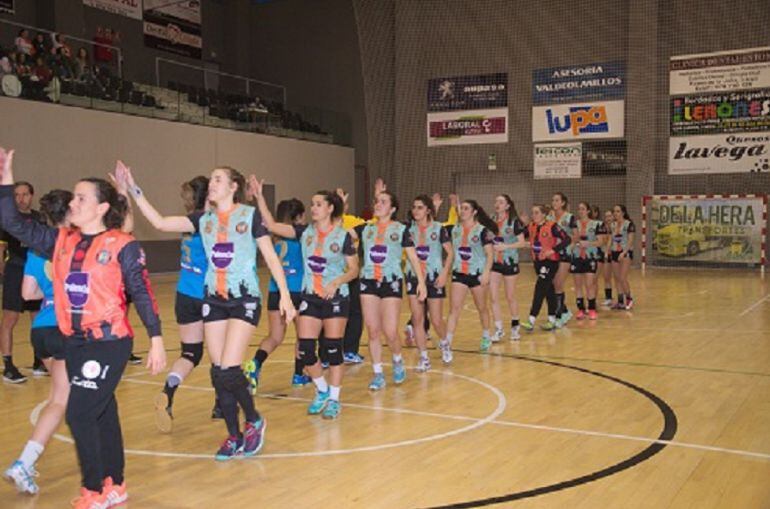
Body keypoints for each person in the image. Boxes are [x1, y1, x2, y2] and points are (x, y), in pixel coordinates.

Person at [0, 147, 166, 508]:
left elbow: (142, 291)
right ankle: (115, 484)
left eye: (80, 197)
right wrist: (6, 181)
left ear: (101, 207)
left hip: (108, 342)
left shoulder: (122, 245)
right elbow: (12, 223)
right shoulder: (60, 241)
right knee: (103, 411)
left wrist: (156, 338)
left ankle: (93, 490)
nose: (72, 203)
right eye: (73, 197)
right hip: (73, 342)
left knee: (79, 412)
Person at [121, 165, 294, 459]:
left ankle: (254, 420)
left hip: (244, 298)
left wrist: (286, 297)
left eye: (218, 179)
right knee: (218, 372)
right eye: (211, 179)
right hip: (214, 299)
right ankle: (234, 435)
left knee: (229, 369)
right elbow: (160, 222)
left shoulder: (249, 216)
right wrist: (133, 189)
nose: (212, 183)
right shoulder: (204, 220)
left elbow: (270, 257)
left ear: (233, 187)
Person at [254, 181, 358, 419]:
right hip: (310, 297)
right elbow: (272, 225)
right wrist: (260, 197)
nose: (313, 208)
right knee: (306, 350)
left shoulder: (342, 236)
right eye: (312, 204)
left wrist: (336, 282)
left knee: (333, 350)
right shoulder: (304, 233)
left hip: (336, 298)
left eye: (319, 204)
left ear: (330, 208)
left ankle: (334, 399)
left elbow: (354, 269)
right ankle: (321, 389)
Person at [121, 171, 211, 433]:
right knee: (221, 356)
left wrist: (130, 189)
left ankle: (168, 391)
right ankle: (222, 403)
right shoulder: (208, 222)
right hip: (208, 295)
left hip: (184, 294)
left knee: (190, 353)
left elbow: (157, 222)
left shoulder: (188, 222)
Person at [3, 189, 72, 495]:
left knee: (60, 397)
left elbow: (28, 293)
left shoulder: (36, 250)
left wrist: (52, 294)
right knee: (64, 400)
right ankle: (24, 462)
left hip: (41, 330)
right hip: (65, 328)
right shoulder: (74, 246)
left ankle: (28, 461)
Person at [360, 191, 425, 390]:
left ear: (393, 208)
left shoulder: (401, 229)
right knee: (372, 330)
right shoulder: (365, 229)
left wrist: (421, 282)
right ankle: (378, 373)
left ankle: (397, 359)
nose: (378, 204)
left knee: (390, 331)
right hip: (368, 281)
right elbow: (336, 229)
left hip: (391, 282)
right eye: (376, 201)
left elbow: (413, 257)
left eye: (383, 202)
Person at [244, 198, 310, 393]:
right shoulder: (301, 235)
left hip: (275, 290)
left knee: (274, 336)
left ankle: (256, 363)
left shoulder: (273, 237)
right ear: (299, 216)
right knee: (303, 336)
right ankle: (298, 374)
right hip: (297, 290)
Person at [0, 181, 44, 383]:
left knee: (38, 318)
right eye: (17, 195)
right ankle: (8, 366)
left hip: (34, 272)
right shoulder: (8, 218)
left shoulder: (38, 218)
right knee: (10, 318)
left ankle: (39, 360)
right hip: (15, 271)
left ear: (31, 196)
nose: (21, 198)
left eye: (25, 194)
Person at [443, 199, 496, 361]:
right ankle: (447, 342)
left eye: (466, 208)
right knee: (454, 309)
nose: (463, 211)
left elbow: (490, 254)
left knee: (482, 308)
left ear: (474, 212)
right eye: (461, 208)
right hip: (459, 273)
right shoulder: (455, 229)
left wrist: (486, 272)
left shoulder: (482, 231)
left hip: (477, 274)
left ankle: (486, 335)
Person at [405, 194, 452, 372]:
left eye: (420, 207)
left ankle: (444, 343)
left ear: (428, 210)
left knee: (436, 319)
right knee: (417, 319)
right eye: (414, 207)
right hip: (413, 277)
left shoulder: (439, 229)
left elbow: (451, 253)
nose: (415, 210)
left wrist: (444, 273)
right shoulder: (407, 229)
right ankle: (424, 358)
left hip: (434, 277)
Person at [521, 205, 570, 331]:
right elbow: (520, 234)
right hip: (537, 261)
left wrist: (553, 250)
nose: (534, 215)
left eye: (536, 212)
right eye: (532, 213)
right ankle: (552, 319)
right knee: (549, 289)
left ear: (544, 214)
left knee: (540, 287)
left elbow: (567, 239)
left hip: (550, 261)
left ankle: (531, 319)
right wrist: (522, 223)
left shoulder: (552, 226)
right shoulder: (531, 226)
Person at [489, 194, 527, 341]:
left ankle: (515, 326)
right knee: (493, 297)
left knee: (510, 296)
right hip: (495, 263)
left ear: (507, 206)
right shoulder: (492, 220)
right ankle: (499, 329)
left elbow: (522, 243)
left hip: (509, 261)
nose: (497, 204)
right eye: (496, 201)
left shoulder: (514, 222)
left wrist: (506, 246)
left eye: (501, 202)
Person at [570, 202, 607, 320]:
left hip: (590, 256)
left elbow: (601, 242)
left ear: (588, 211)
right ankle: (581, 309)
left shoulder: (597, 224)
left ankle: (591, 309)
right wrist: (573, 244)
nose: (580, 211)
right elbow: (572, 239)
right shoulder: (574, 224)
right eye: (579, 209)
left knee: (589, 284)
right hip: (576, 256)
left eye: (583, 209)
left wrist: (588, 243)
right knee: (577, 285)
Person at [548, 192, 577, 327]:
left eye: (557, 200)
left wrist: (571, 246)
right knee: (553, 284)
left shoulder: (570, 217)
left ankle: (559, 315)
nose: (554, 203)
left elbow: (575, 235)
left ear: (563, 203)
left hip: (564, 253)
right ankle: (564, 311)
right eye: (553, 200)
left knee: (559, 283)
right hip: (552, 253)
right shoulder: (549, 217)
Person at [610, 204, 635, 310]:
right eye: (614, 211)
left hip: (625, 252)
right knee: (616, 278)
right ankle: (620, 301)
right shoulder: (613, 225)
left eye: (618, 211)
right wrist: (608, 251)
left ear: (623, 212)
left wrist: (624, 252)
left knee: (622, 278)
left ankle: (629, 299)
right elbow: (611, 239)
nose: (615, 213)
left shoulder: (629, 224)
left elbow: (630, 240)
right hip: (614, 251)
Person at [601, 209, 615, 306]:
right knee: (606, 277)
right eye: (606, 216)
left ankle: (623, 297)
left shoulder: (617, 227)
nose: (608, 218)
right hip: (606, 254)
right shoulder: (602, 228)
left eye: (610, 216)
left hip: (615, 254)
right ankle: (608, 298)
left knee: (619, 278)